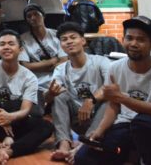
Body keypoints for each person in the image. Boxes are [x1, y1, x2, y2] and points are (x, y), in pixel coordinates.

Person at [75, 16, 151, 165]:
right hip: (124, 125)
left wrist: (122, 98)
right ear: (123, 40)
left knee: (142, 123)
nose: (133, 43)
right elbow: (113, 105)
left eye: (141, 39)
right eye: (129, 38)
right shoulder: (115, 67)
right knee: (83, 158)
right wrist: (99, 130)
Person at [0, 30, 54, 165]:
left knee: (47, 126)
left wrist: (9, 117)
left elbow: (25, 110)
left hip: (16, 120)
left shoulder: (30, 78)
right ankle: (6, 137)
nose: (6, 47)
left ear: (20, 50)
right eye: (2, 44)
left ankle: (10, 150)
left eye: (11, 44)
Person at [47, 22, 110, 162]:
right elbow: (50, 96)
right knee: (59, 95)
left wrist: (91, 100)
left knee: (111, 100)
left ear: (83, 41)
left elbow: (110, 86)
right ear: (61, 46)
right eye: (64, 39)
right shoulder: (60, 69)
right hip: (78, 120)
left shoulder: (101, 61)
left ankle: (85, 143)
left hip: (100, 119)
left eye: (73, 37)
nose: (69, 41)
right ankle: (64, 144)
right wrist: (50, 94)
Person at [18, 4, 67, 97]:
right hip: (37, 83)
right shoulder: (22, 39)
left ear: (43, 16)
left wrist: (39, 66)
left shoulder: (57, 34)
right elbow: (26, 66)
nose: (33, 18)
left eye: (36, 14)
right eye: (29, 16)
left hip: (59, 80)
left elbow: (64, 61)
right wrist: (53, 61)